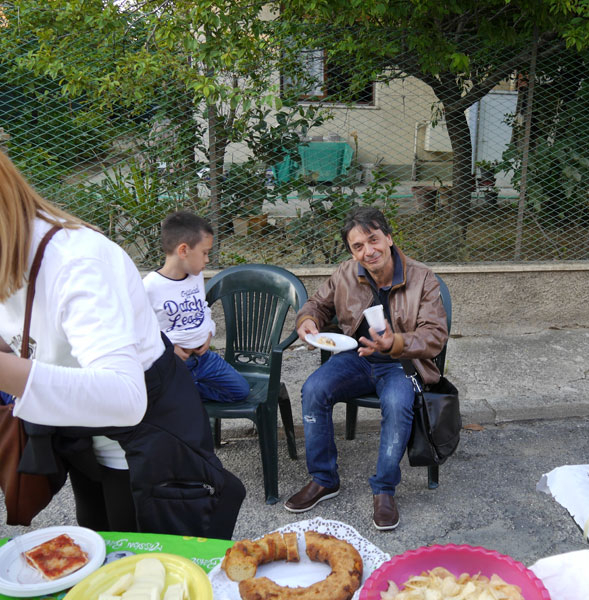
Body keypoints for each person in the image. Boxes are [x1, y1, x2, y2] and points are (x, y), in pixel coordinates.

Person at [0, 150, 245, 537]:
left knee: (141, 553)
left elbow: (126, 398)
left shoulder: (77, 262)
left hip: (140, 438)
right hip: (79, 431)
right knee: (95, 533)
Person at [285, 206, 448, 530]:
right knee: (313, 389)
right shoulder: (346, 273)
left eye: (373, 240)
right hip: (355, 357)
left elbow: (435, 335)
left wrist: (395, 342)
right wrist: (307, 321)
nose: (368, 251)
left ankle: (384, 489)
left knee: (398, 403)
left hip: (401, 362)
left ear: (388, 238)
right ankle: (323, 478)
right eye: (358, 246)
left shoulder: (422, 278)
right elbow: (317, 304)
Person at [143, 211, 249, 404]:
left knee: (240, 390)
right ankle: (183, 394)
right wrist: (168, 349)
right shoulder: (150, 286)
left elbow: (203, 308)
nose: (207, 260)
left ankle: (189, 391)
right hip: (173, 362)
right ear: (183, 250)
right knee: (170, 404)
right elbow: (141, 328)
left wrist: (208, 332)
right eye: (205, 253)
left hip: (204, 358)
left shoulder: (196, 276)